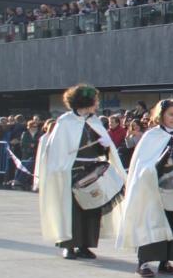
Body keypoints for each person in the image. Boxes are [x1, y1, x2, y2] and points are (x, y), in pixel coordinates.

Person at [118, 99, 173, 278]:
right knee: (151, 223)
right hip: (154, 190)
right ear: (161, 115)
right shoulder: (152, 137)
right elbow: (142, 165)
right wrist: (154, 167)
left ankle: (165, 261)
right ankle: (144, 262)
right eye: (170, 115)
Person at [38, 85, 125, 260]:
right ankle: (69, 245)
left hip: (92, 169)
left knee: (92, 208)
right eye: (95, 100)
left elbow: (102, 150)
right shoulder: (65, 121)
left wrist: (106, 145)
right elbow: (57, 150)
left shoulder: (95, 121)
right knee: (73, 210)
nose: (97, 104)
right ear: (86, 101)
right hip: (72, 171)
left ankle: (85, 245)